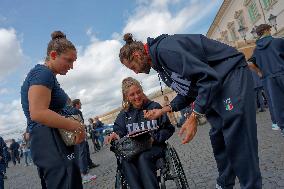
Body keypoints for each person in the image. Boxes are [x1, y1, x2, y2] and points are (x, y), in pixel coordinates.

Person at [119, 33, 262, 189]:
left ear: (137, 55)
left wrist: (194, 116)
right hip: (215, 85)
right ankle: (224, 183)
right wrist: (164, 110)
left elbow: (207, 79)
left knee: (238, 136)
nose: (136, 72)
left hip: (230, 75)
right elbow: (188, 91)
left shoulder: (166, 51)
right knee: (218, 136)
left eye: (133, 67)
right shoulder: (159, 64)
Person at [21, 31, 85, 189]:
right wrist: (77, 126)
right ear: (54, 55)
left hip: (47, 139)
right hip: (49, 139)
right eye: (68, 61)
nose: (71, 66)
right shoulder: (43, 73)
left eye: (73, 61)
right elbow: (38, 112)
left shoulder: (47, 75)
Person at [106, 77, 175, 189]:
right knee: (125, 161)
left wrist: (155, 138)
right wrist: (115, 135)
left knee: (143, 158)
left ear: (142, 91)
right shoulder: (124, 115)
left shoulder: (154, 107)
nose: (137, 96)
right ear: (126, 97)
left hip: (154, 147)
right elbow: (119, 131)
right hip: (133, 150)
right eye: (132, 94)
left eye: (138, 92)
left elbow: (168, 128)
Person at [249, 24, 284, 136]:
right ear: (266, 31)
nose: (270, 31)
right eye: (269, 29)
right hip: (282, 72)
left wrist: (259, 72)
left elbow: (250, 63)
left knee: (277, 103)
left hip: (268, 79)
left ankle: (282, 128)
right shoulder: (278, 42)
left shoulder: (256, 49)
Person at [71, 99, 98, 184]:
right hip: (79, 133)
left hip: (77, 134)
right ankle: (84, 174)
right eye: (80, 103)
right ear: (77, 104)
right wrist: (84, 132)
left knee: (84, 151)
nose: (81, 104)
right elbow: (80, 123)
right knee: (82, 152)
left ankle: (88, 165)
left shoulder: (73, 111)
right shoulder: (76, 111)